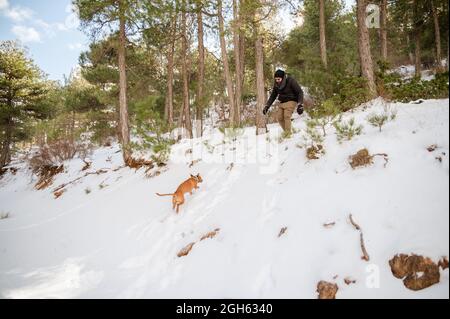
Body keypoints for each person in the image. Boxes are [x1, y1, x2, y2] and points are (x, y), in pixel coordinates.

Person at [263, 69, 304, 134]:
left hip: (291, 100)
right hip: (282, 102)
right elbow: (273, 95)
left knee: (286, 116)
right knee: (279, 118)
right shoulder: (276, 84)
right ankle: (288, 133)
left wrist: (300, 105)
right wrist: (267, 106)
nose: (277, 81)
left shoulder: (290, 80)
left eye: (278, 79)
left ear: (283, 77)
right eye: (276, 79)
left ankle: (288, 135)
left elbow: (300, 92)